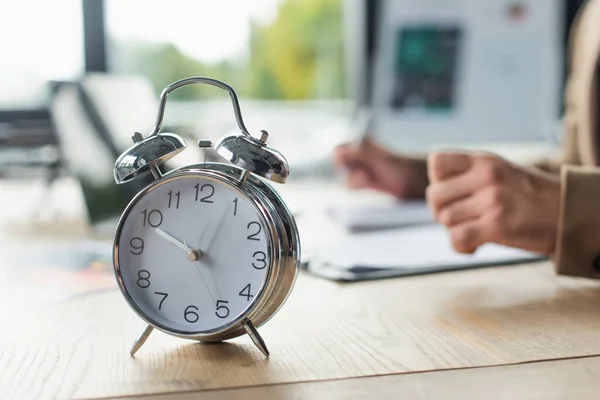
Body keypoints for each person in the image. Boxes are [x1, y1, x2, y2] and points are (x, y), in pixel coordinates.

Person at [334, 0, 600, 279]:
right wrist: (421, 177)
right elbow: (575, 168)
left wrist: (565, 212)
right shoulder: (591, 16)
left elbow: (562, 196)